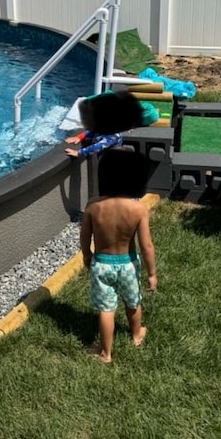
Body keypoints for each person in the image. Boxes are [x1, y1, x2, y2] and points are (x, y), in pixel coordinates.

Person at [80, 149, 157, 362]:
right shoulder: (138, 209)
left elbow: (85, 237)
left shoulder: (93, 206)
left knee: (106, 309)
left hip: (102, 264)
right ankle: (136, 334)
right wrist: (151, 273)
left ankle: (105, 353)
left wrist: (87, 255)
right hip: (128, 265)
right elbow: (146, 245)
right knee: (133, 303)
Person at [64, 90, 142, 159]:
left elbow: (99, 146)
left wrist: (79, 153)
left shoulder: (114, 134)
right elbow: (93, 130)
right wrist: (80, 136)